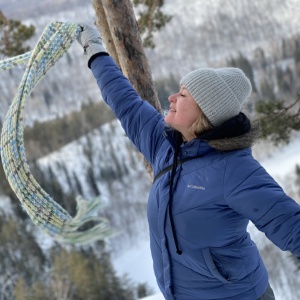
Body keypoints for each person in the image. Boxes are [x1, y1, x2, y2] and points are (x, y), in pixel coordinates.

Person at [77, 24, 300, 300]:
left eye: (183, 95)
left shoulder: (235, 169)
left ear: (204, 114)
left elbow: (292, 226)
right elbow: (125, 101)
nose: (171, 97)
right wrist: (95, 51)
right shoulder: (166, 145)